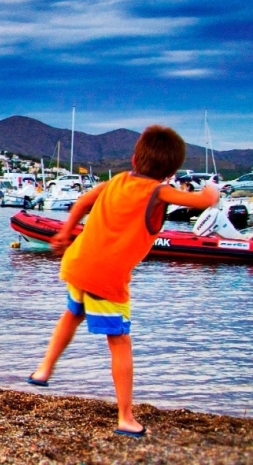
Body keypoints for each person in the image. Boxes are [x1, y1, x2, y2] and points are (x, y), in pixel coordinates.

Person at [26, 125, 219, 438]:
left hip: (78, 263)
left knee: (73, 314)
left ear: (134, 157)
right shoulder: (158, 191)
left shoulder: (115, 181)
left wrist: (64, 231)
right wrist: (211, 193)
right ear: (171, 171)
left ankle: (44, 368)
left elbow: (82, 203)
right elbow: (200, 201)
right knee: (119, 342)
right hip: (107, 278)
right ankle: (126, 417)